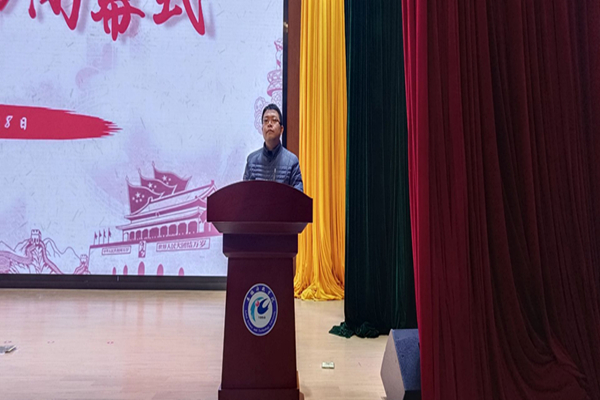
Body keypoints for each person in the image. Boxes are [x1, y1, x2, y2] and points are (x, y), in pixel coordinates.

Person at [243, 104, 304, 192]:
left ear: (281, 129)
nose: (269, 124)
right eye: (266, 121)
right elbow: (245, 195)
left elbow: (299, 197)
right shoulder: (252, 161)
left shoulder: (292, 162)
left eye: (274, 120)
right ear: (262, 129)